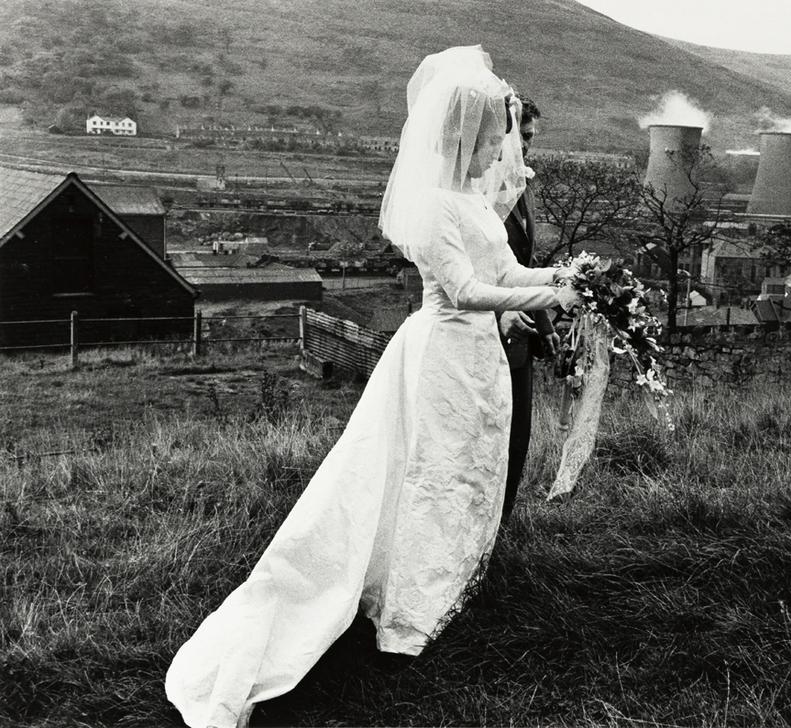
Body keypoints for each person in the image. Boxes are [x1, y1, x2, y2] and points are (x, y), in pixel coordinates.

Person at [164, 45, 581, 728]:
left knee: (470, 470)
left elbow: (505, 276)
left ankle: (448, 586)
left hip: (482, 361)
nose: (498, 155)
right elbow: (469, 290)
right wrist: (557, 293)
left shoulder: (477, 202)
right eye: (490, 141)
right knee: (428, 476)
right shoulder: (431, 209)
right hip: (441, 353)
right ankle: (405, 616)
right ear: (461, 137)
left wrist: (562, 286)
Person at [498, 94, 558, 522]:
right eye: (525, 136)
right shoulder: (477, 187)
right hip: (488, 329)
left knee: (519, 437)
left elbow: (524, 264)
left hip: (523, 329)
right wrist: (498, 312)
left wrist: (546, 323)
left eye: (533, 137)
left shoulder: (525, 182)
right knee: (493, 439)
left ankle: (503, 525)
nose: (530, 146)